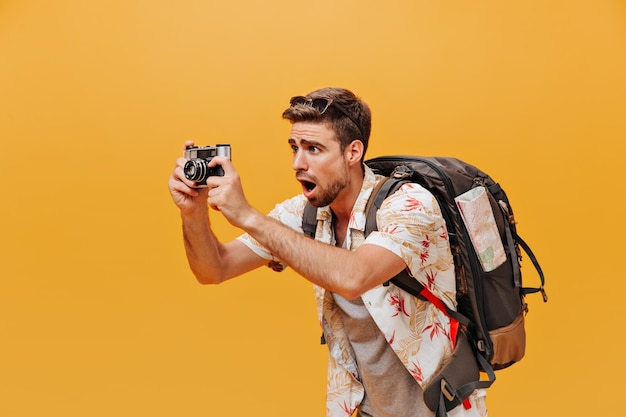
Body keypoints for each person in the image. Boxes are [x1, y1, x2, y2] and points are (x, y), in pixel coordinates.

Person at [168, 87, 487, 417]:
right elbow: (214, 269)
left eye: (313, 149)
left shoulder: (409, 205)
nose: (297, 163)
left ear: (353, 152)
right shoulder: (305, 214)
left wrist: (248, 216)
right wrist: (192, 213)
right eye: (294, 148)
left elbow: (353, 277)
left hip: (438, 408)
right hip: (356, 408)